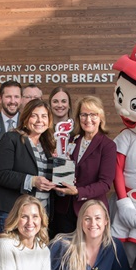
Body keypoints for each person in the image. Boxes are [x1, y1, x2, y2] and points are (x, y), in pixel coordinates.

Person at [0, 99, 57, 235]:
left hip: (39, 215)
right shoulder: (11, 138)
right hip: (12, 212)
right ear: (25, 118)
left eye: (44, 116)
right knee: (10, 254)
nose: (39, 120)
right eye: (34, 115)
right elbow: (1, 174)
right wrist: (32, 181)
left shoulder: (47, 145)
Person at [51, 95, 117, 236]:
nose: (88, 119)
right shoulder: (70, 140)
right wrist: (57, 161)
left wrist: (78, 192)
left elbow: (105, 184)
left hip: (91, 211)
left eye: (93, 114)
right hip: (64, 210)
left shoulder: (107, 146)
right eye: (84, 115)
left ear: (101, 117)